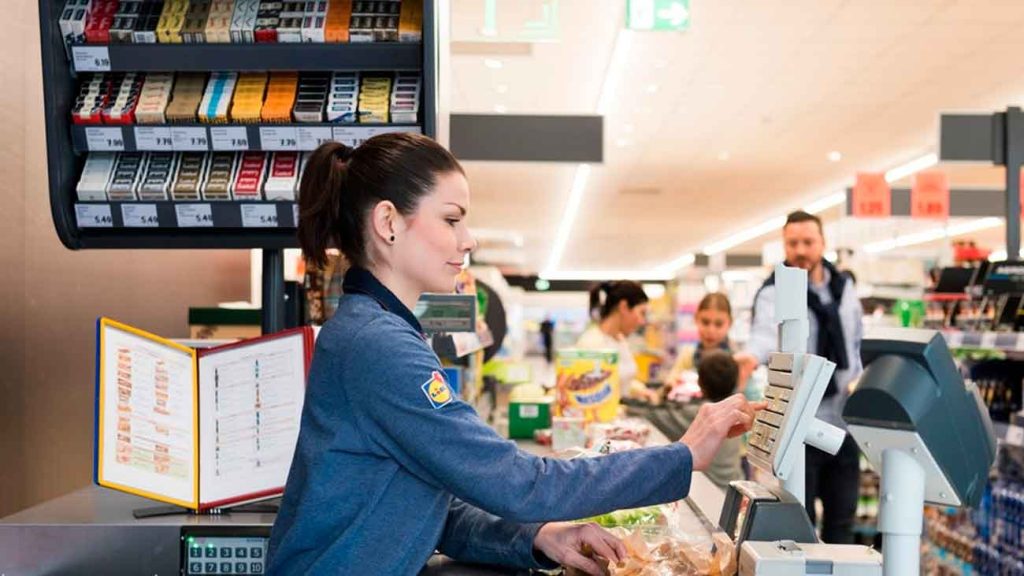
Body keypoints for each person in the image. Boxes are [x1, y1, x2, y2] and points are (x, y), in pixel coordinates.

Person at [266, 133, 766, 575]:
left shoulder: (377, 330)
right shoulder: (378, 345)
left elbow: (423, 505)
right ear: (388, 222)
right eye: (451, 219)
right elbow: (521, 483)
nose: (468, 239)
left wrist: (537, 537)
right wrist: (682, 456)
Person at [745, 210, 864, 544]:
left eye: (808, 242)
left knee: (842, 520)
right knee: (801, 522)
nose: (800, 250)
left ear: (823, 243)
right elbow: (763, 338)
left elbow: (857, 341)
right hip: (797, 423)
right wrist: (747, 358)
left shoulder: (844, 288)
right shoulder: (773, 292)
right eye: (792, 243)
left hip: (843, 419)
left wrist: (861, 378)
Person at [651, 351, 744, 490]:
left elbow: (654, 416)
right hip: (734, 489)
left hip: (706, 491)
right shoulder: (736, 410)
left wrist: (663, 394)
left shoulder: (698, 414)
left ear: (700, 382)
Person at [666, 292, 757, 397]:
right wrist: (672, 386)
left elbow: (753, 398)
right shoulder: (688, 355)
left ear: (730, 323)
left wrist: (741, 386)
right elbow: (669, 384)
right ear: (696, 319)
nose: (711, 330)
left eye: (718, 324)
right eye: (705, 322)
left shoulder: (739, 360)